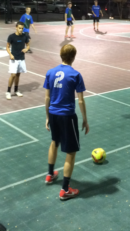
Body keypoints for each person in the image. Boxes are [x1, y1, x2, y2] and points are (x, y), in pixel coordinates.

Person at [44, 44, 89, 200]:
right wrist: (85, 120)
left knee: (54, 142)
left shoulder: (50, 72)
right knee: (70, 151)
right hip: (67, 116)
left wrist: (48, 116)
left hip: (53, 113)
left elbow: (47, 97)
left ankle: (50, 175)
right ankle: (65, 190)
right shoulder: (75, 75)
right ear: (74, 57)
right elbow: (81, 101)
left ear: (60, 55)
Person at [5, 22, 30, 100]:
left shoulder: (25, 36)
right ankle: (8, 92)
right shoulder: (11, 37)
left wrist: (26, 49)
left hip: (21, 58)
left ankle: (16, 90)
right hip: (14, 59)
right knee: (13, 75)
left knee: (18, 75)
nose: (21, 30)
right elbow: (7, 47)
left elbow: (28, 45)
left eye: (22, 28)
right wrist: (10, 55)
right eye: (19, 28)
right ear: (16, 27)